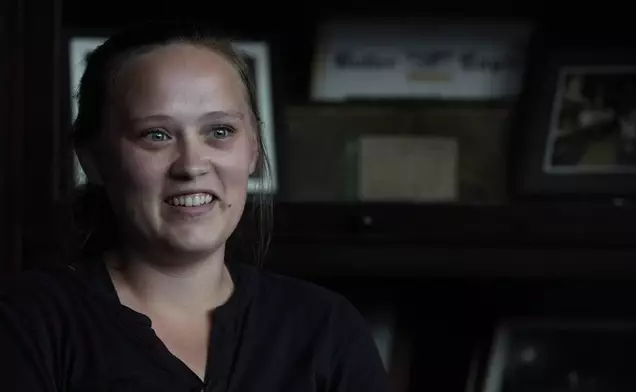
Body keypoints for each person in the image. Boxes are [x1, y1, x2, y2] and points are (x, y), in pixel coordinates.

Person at [0, 21, 390, 391]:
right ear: (93, 160)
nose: (191, 165)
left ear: (254, 148)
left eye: (219, 131)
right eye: (155, 134)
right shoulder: (27, 322)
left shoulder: (325, 327)